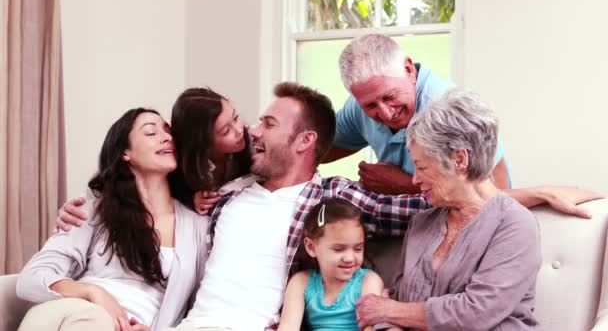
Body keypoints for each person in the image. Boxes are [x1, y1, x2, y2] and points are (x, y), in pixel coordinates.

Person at [56, 83, 602, 331]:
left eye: (267, 124)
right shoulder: (219, 196)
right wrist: (89, 204)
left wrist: (535, 192)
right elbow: (147, 191)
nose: (252, 130)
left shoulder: (334, 199)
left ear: (304, 143)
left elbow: (454, 196)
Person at [356, 90, 541, 330]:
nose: (414, 180)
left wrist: (391, 311)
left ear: (460, 160)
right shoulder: (421, 222)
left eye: (422, 167)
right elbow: (396, 298)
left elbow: (476, 314)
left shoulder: (515, 225)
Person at [17, 108, 209, 331]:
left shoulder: (198, 227)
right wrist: (93, 292)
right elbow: (31, 278)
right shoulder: (95, 209)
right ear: (125, 153)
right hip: (79, 313)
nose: (166, 137)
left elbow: (205, 309)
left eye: (167, 131)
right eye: (150, 133)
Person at [322, 33, 510, 194]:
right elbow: (317, 150)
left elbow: (495, 193)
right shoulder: (359, 104)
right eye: (370, 106)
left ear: (408, 69)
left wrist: (403, 184)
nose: (386, 114)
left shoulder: (449, 107)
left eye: (389, 96)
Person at [278, 198, 400, 331]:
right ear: (311, 247)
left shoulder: (368, 280)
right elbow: (288, 326)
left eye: (358, 248)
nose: (349, 258)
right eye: (338, 249)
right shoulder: (301, 282)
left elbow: (370, 327)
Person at [170, 87, 252, 215]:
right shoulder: (178, 166)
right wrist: (191, 199)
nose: (239, 130)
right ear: (203, 143)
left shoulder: (254, 144)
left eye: (235, 118)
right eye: (226, 131)